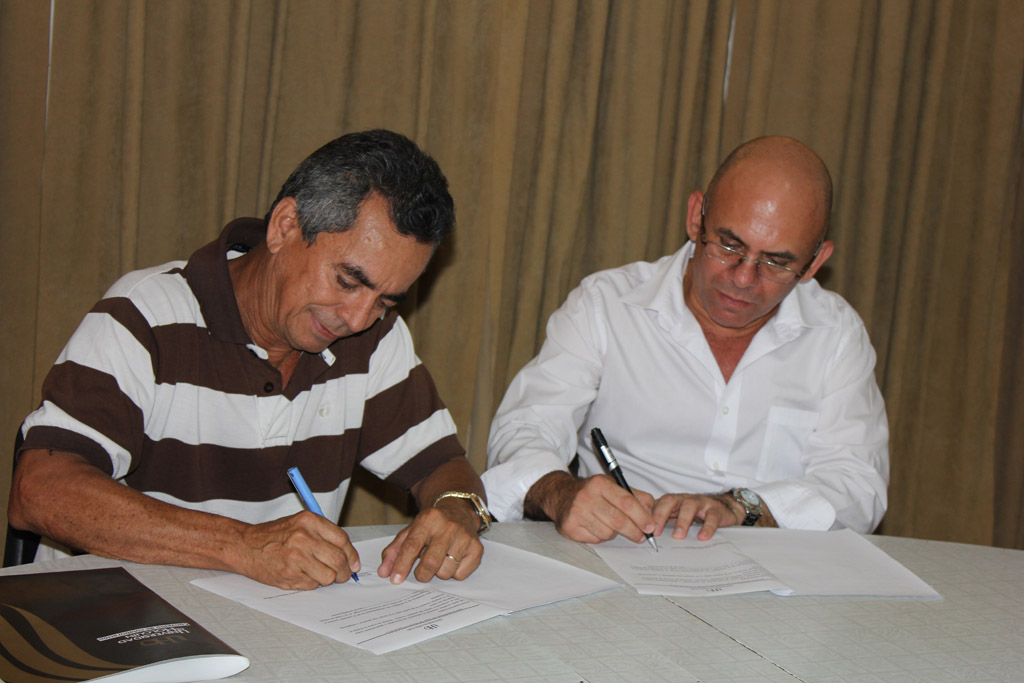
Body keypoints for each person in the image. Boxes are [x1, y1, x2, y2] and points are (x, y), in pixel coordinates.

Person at [9, 129, 494, 590]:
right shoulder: (147, 317)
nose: (359, 316)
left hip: (263, 623)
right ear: (286, 227)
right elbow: (40, 490)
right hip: (107, 616)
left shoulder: (374, 338)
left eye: (387, 301)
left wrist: (455, 510)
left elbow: (444, 465)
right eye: (348, 281)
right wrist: (241, 545)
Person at [482, 136, 888, 547]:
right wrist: (562, 493)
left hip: (774, 578)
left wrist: (746, 507)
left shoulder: (835, 334)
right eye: (729, 245)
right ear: (696, 218)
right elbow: (523, 428)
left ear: (815, 263)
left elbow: (859, 486)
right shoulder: (607, 305)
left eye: (775, 263)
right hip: (625, 556)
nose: (743, 278)